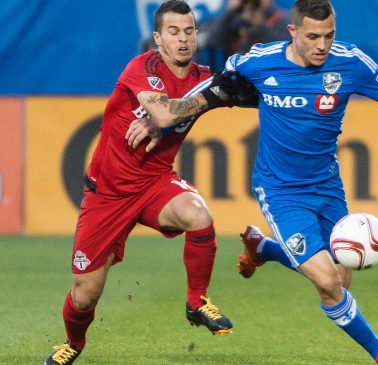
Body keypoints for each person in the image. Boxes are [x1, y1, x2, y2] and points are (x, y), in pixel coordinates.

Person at [224, 0, 378, 364]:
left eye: (329, 35)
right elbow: (222, 78)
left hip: (327, 186)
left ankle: (263, 247)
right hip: (280, 190)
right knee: (329, 285)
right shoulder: (258, 59)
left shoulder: (350, 62)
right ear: (293, 31)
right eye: (313, 36)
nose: (322, 45)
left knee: (339, 279)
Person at [43, 1, 251, 364]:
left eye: (189, 31)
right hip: (107, 195)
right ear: (158, 38)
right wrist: (208, 99)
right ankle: (73, 343)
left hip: (155, 184)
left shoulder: (203, 79)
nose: (183, 39)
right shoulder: (143, 68)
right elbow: (163, 112)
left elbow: (252, 94)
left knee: (197, 214)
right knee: (85, 295)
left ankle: (195, 302)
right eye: (173, 32)